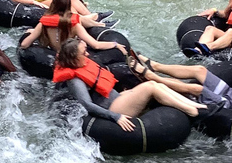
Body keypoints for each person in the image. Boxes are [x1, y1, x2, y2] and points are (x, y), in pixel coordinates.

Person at [53, 38, 205, 131]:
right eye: (83, 52)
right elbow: (87, 104)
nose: (87, 54)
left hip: (117, 99)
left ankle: (194, 105)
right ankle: (191, 111)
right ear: (73, 57)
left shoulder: (81, 64)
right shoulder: (74, 80)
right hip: (113, 108)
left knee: (154, 84)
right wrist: (115, 117)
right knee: (150, 86)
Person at [19, 0, 126, 53]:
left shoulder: (43, 23)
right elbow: (96, 45)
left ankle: (97, 19)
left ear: (53, 4)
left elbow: (24, 45)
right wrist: (115, 44)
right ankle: (98, 21)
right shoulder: (75, 25)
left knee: (30, 30)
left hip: (53, 52)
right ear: (69, 5)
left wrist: (32, 33)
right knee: (81, 29)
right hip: (69, 55)